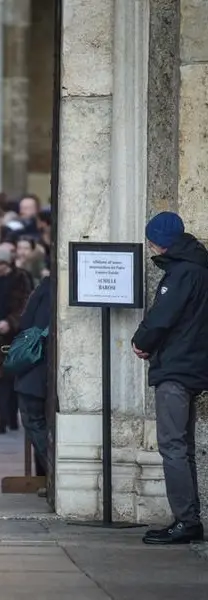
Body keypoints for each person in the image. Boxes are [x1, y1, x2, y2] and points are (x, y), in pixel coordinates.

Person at [131, 212, 207, 545]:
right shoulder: (198, 267)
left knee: (173, 446)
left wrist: (141, 341)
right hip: (192, 364)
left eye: (151, 240)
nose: (150, 245)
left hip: (176, 367)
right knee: (183, 447)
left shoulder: (181, 273)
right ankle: (188, 518)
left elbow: (162, 317)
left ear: (160, 241)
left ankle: (187, 520)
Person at [0, 246, 33, 433]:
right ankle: (3, 420)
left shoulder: (20, 278)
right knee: (0, 379)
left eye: (0, 264)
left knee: (13, 379)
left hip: (16, 336)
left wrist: (11, 322)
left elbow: (25, 304)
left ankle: (13, 418)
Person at [14, 276, 52, 477]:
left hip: (36, 370)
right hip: (40, 371)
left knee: (34, 420)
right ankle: (50, 475)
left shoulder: (47, 286)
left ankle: (55, 474)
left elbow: (26, 321)